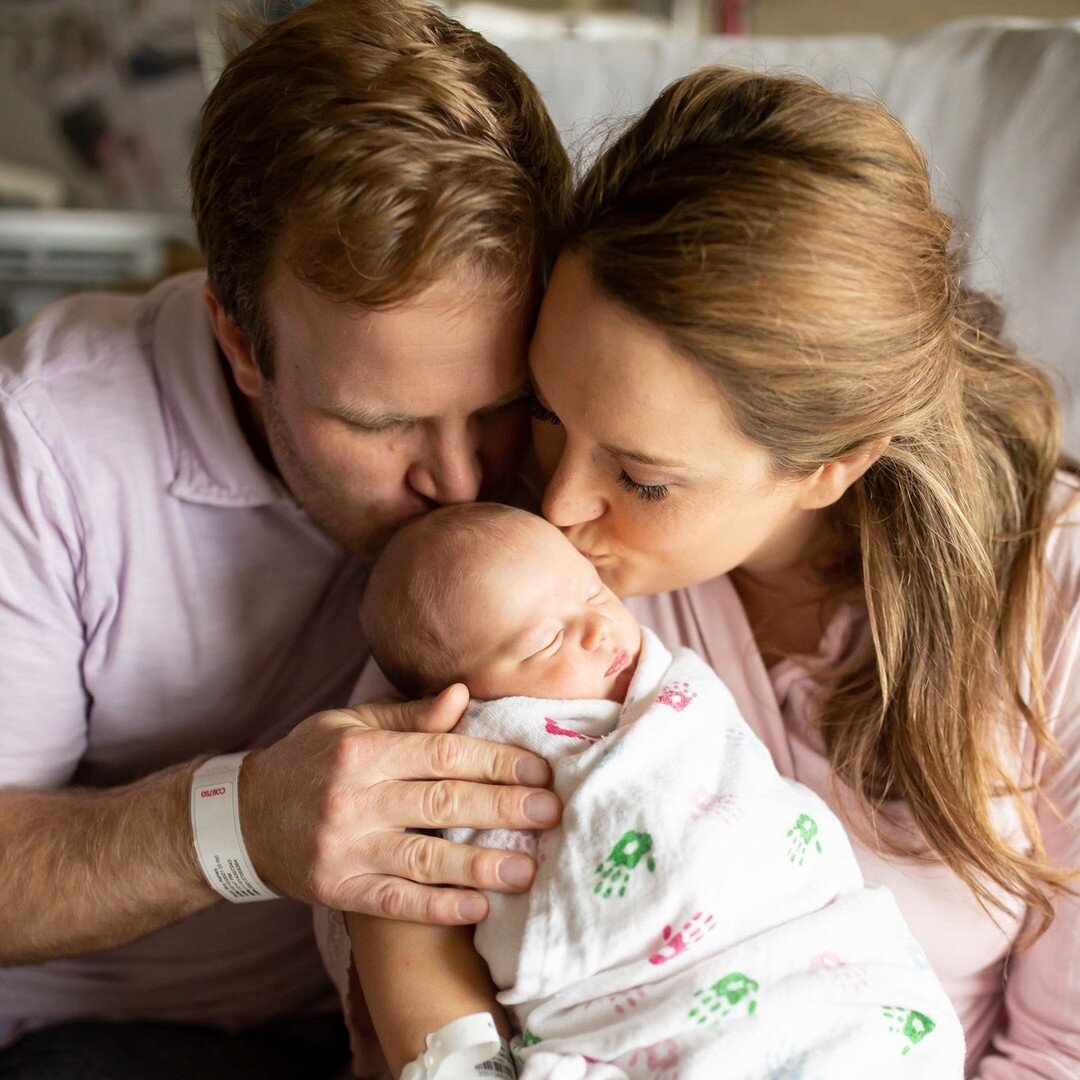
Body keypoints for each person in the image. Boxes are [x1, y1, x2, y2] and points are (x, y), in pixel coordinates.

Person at [328, 65, 1079, 1077]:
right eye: (549, 414)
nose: (556, 509)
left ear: (830, 465)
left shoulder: (1052, 606)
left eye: (641, 478)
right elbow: (390, 899)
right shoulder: (505, 582)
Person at [0, 1, 569, 1074]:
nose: (459, 480)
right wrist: (240, 824)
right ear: (239, 337)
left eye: (499, 403)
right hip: (107, 1035)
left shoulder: (570, 409)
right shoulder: (45, 441)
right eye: (378, 420)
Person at [342, 501, 965, 1078]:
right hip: (636, 1013)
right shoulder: (465, 761)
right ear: (461, 700)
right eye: (546, 641)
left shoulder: (672, 697)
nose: (598, 630)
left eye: (595, 592)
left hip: (816, 961)